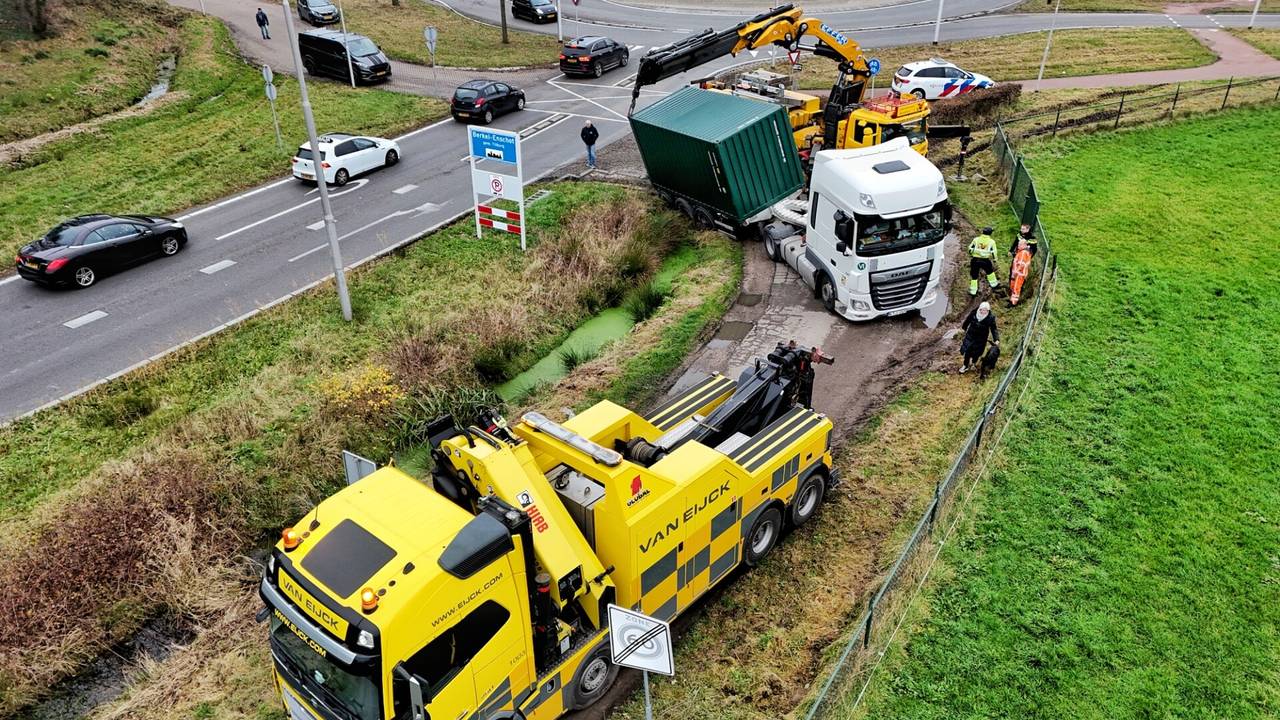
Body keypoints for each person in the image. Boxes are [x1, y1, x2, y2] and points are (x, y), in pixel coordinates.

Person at [959, 301, 999, 374]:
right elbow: (968, 320)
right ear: (979, 309)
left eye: (985, 310)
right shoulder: (974, 313)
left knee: (976, 353)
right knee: (967, 351)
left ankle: (974, 363)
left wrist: (996, 339)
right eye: (982, 310)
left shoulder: (990, 318)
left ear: (988, 310)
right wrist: (964, 328)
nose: (983, 312)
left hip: (981, 338)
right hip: (971, 335)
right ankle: (965, 365)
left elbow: (994, 329)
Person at [968, 226, 999, 296]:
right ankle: (994, 285)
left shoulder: (976, 239)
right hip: (985, 260)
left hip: (975, 260)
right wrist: (994, 260)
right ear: (990, 233)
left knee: (974, 275)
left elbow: (970, 248)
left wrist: (971, 254)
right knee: (990, 272)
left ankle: (973, 291)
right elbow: (994, 252)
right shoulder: (991, 242)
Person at [1009, 239, 1033, 306]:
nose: (1018, 245)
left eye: (1020, 244)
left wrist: (1015, 273)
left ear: (1024, 245)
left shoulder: (1023, 253)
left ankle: (1013, 302)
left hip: (1019, 274)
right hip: (1019, 273)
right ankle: (1012, 299)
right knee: (1014, 286)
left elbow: (1021, 264)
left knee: (1016, 287)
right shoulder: (1022, 252)